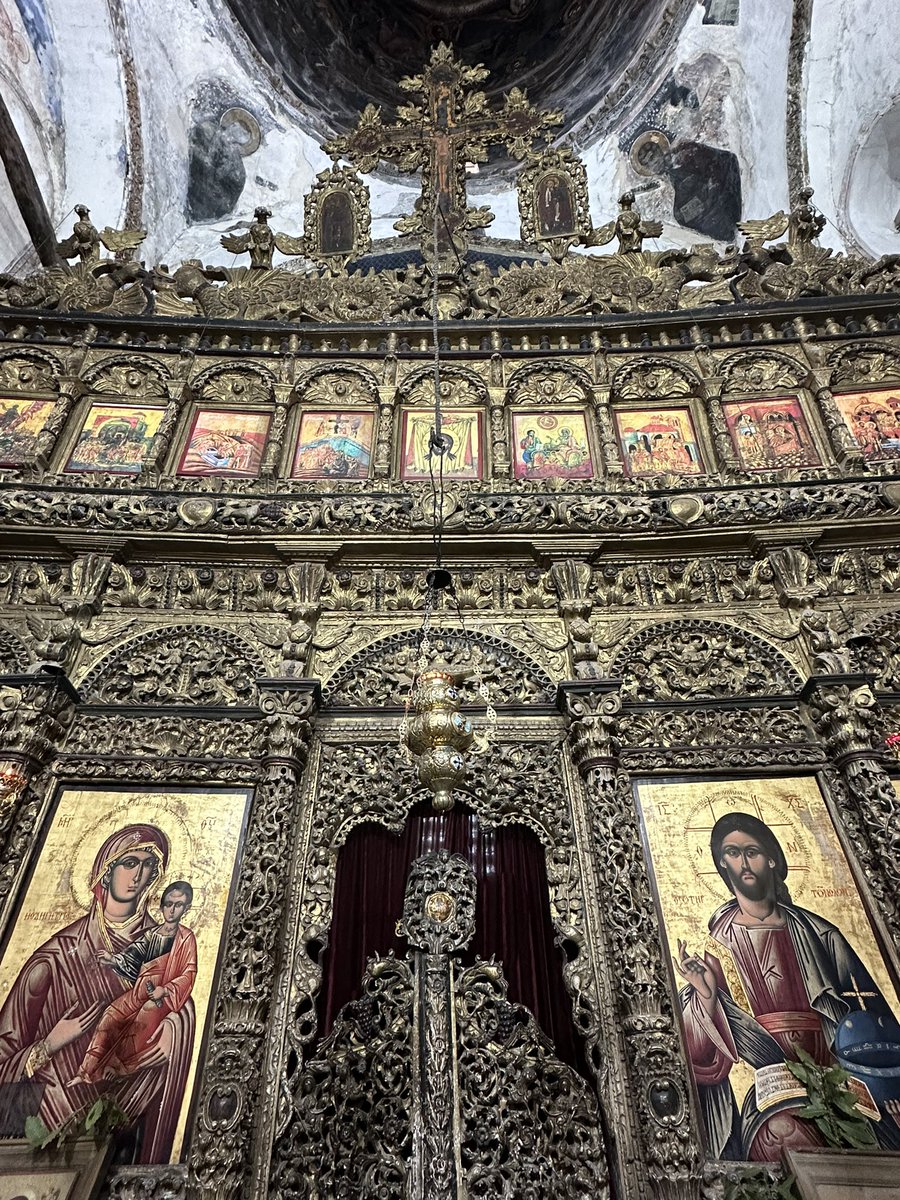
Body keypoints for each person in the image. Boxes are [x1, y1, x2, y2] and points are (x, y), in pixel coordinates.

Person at [676, 812, 900, 1161]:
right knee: (781, 1133)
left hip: (841, 1075)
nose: (743, 862)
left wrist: (889, 1087)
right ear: (722, 865)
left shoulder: (821, 934)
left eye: (752, 851)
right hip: (769, 1085)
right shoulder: (714, 946)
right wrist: (705, 996)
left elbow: (870, 1011)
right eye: (732, 853)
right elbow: (697, 1053)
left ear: (772, 859)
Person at [0, 825, 195, 1163]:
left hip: (124, 1126)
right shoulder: (54, 960)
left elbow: (182, 995)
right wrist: (51, 1043)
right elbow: (4, 1061)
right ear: (105, 872)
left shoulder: (170, 941)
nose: (140, 875)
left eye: (149, 865)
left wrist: (176, 1029)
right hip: (47, 1125)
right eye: (130, 863)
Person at [71, 882, 197, 1085]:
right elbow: (133, 955)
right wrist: (113, 960)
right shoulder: (152, 935)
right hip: (139, 991)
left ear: (186, 908)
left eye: (178, 905)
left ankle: (118, 1067)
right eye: (168, 904)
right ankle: (85, 1071)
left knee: (143, 1016)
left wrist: (164, 990)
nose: (171, 910)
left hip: (162, 998)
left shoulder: (186, 939)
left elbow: (189, 972)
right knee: (111, 1015)